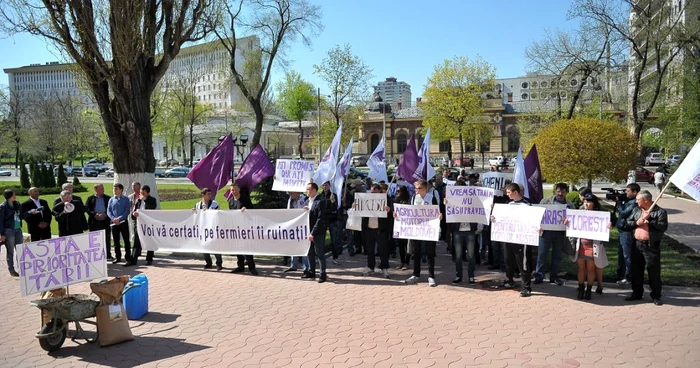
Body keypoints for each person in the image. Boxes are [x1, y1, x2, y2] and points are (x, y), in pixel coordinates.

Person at [623, 190, 668, 306]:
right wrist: (636, 222)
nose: (637, 201)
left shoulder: (660, 212)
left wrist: (651, 220)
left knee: (653, 271)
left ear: (646, 200)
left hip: (651, 246)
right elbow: (627, 223)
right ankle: (637, 293)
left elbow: (663, 227)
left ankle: (656, 295)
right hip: (637, 244)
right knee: (636, 271)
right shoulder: (636, 210)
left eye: (639, 200)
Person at [493, 183, 537, 297]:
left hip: (521, 240)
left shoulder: (527, 205)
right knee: (508, 261)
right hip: (508, 238)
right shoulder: (508, 204)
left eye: (508, 192)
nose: (507, 194)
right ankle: (509, 281)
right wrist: (494, 218)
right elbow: (502, 218)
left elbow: (532, 220)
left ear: (515, 192)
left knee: (523, 264)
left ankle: (526, 287)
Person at [569, 193, 610, 300]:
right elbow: (573, 226)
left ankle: (589, 290)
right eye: (585, 202)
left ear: (594, 203)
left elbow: (606, 226)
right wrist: (568, 223)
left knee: (591, 269)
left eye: (589, 202)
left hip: (593, 246)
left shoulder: (600, 215)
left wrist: (608, 226)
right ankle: (581, 288)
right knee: (581, 268)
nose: (586, 204)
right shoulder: (579, 214)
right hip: (581, 245)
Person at [401, 180, 442, 287]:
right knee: (416, 252)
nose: (416, 190)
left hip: (428, 229)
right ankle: (416, 274)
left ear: (424, 189)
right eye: (415, 188)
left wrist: (439, 216)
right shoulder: (414, 198)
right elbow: (409, 211)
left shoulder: (431, 198)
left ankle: (431, 276)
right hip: (417, 229)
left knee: (430, 253)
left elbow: (436, 211)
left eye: (418, 188)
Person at [534, 183, 574, 286]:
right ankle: (539, 276)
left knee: (557, 255)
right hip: (546, 232)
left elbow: (573, 219)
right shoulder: (546, 201)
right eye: (558, 191)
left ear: (566, 193)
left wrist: (568, 221)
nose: (560, 194)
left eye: (563, 192)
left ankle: (554, 276)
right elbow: (538, 214)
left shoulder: (569, 205)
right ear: (555, 191)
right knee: (542, 254)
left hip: (560, 233)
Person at [445, 180, 482, 284]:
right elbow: (449, 214)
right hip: (458, 231)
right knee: (458, 255)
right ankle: (458, 275)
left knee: (471, 255)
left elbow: (479, 209)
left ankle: (471, 276)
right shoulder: (452, 200)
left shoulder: (472, 199)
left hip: (470, 231)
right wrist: (447, 204)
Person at [360, 183, 393, 278]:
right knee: (370, 250)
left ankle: (384, 267)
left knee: (383, 250)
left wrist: (389, 210)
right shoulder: (366, 199)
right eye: (371, 191)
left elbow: (392, 215)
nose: (372, 193)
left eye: (375, 191)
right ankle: (370, 267)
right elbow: (360, 210)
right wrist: (356, 206)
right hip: (369, 229)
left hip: (381, 229)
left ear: (379, 191)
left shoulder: (386, 200)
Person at [1, 189, 34, 277]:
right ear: (9, 197)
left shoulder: (17, 204)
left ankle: (22, 268)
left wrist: (30, 212)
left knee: (20, 249)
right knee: (10, 250)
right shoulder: (3, 206)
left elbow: (21, 216)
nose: (15, 196)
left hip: (17, 229)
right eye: (13, 195)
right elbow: (0, 221)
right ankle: (11, 269)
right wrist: (2, 234)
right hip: (9, 230)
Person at [228, 183, 257, 275]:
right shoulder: (231, 201)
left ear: (239, 190)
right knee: (237, 248)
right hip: (236, 228)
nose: (234, 192)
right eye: (232, 190)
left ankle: (252, 267)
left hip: (245, 228)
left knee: (247, 248)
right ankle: (240, 266)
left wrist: (246, 209)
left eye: (235, 190)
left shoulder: (245, 199)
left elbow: (252, 211)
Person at [615, 183, 640, 286]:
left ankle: (629, 277)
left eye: (628, 191)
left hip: (627, 231)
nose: (626, 192)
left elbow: (623, 213)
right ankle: (620, 273)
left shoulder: (634, 203)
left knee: (627, 255)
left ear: (635, 192)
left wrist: (619, 202)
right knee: (621, 254)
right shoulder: (629, 201)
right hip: (622, 231)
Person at [305, 182, 329, 283]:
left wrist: (313, 233)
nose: (306, 191)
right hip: (309, 230)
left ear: (314, 190)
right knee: (310, 253)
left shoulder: (320, 201)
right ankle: (311, 271)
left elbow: (320, 219)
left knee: (319, 253)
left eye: (308, 189)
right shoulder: (309, 201)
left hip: (317, 232)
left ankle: (322, 274)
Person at [128, 185, 157, 266]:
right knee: (136, 242)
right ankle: (133, 259)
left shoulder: (152, 200)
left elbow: (152, 208)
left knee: (149, 241)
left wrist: (146, 200)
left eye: (143, 193)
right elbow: (133, 213)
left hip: (148, 225)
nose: (141, 195)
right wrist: (134, 214)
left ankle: (149, 259)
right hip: (139, 224)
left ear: (148, 193)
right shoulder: (138, 201)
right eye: (141, 193)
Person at [284, 191, 310, 273]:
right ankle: (293, 265)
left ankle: (306, 267)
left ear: (297, 192)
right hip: (293, 226)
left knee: (303, 246)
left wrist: (307, 209)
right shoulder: (290, 200)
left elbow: (310, 209)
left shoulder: (305, 198)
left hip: (303, 226)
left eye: (292, 193)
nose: (291, 195)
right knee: (293, 246)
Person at [85, 184, 113, 260]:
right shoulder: (90, 198)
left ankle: (108, 255)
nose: (103, 190)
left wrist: (106, 214)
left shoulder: (108, 198)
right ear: (96, 190)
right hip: (94, 222)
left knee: (106, 238)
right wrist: (95, 214)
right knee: (95, 240)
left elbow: (111, 208)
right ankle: (96, 255)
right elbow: (87, 208)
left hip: (105, 221)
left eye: (103, 188)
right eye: (101, 189)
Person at [107, 183, 131, 264]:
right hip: (114, 223)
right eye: (114, 189)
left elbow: (127, 211)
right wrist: (113, 219)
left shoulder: (126, 199)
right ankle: (118, 257)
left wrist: (119, 218)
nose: (114, 190)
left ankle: (128, 257)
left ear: (121, 190)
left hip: (123, 222)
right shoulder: (111, 200)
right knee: (116, 241)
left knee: (126, 240)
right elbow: (109, 211)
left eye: (116, 189)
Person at [320, 181, 342, 265]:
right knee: (321, 240)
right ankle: (320, 257)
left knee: (334, 240)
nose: (325, 187)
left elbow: (335, 208)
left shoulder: (333, 195)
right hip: (323, 220)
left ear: (329, 186)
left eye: (326, 185)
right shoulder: (320, 196)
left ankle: (335, 257)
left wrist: (332, 202)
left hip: (332, 220)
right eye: (324, 185)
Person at [393, 185, 411, 270]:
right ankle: (402, 262)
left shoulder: (409, 199)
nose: (397, 193)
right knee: (400, 245)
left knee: (407, 245)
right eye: (397, 191)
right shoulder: (396, 199)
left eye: (399, 191)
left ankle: (407, 262)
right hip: (399, 225)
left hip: (408, 225)